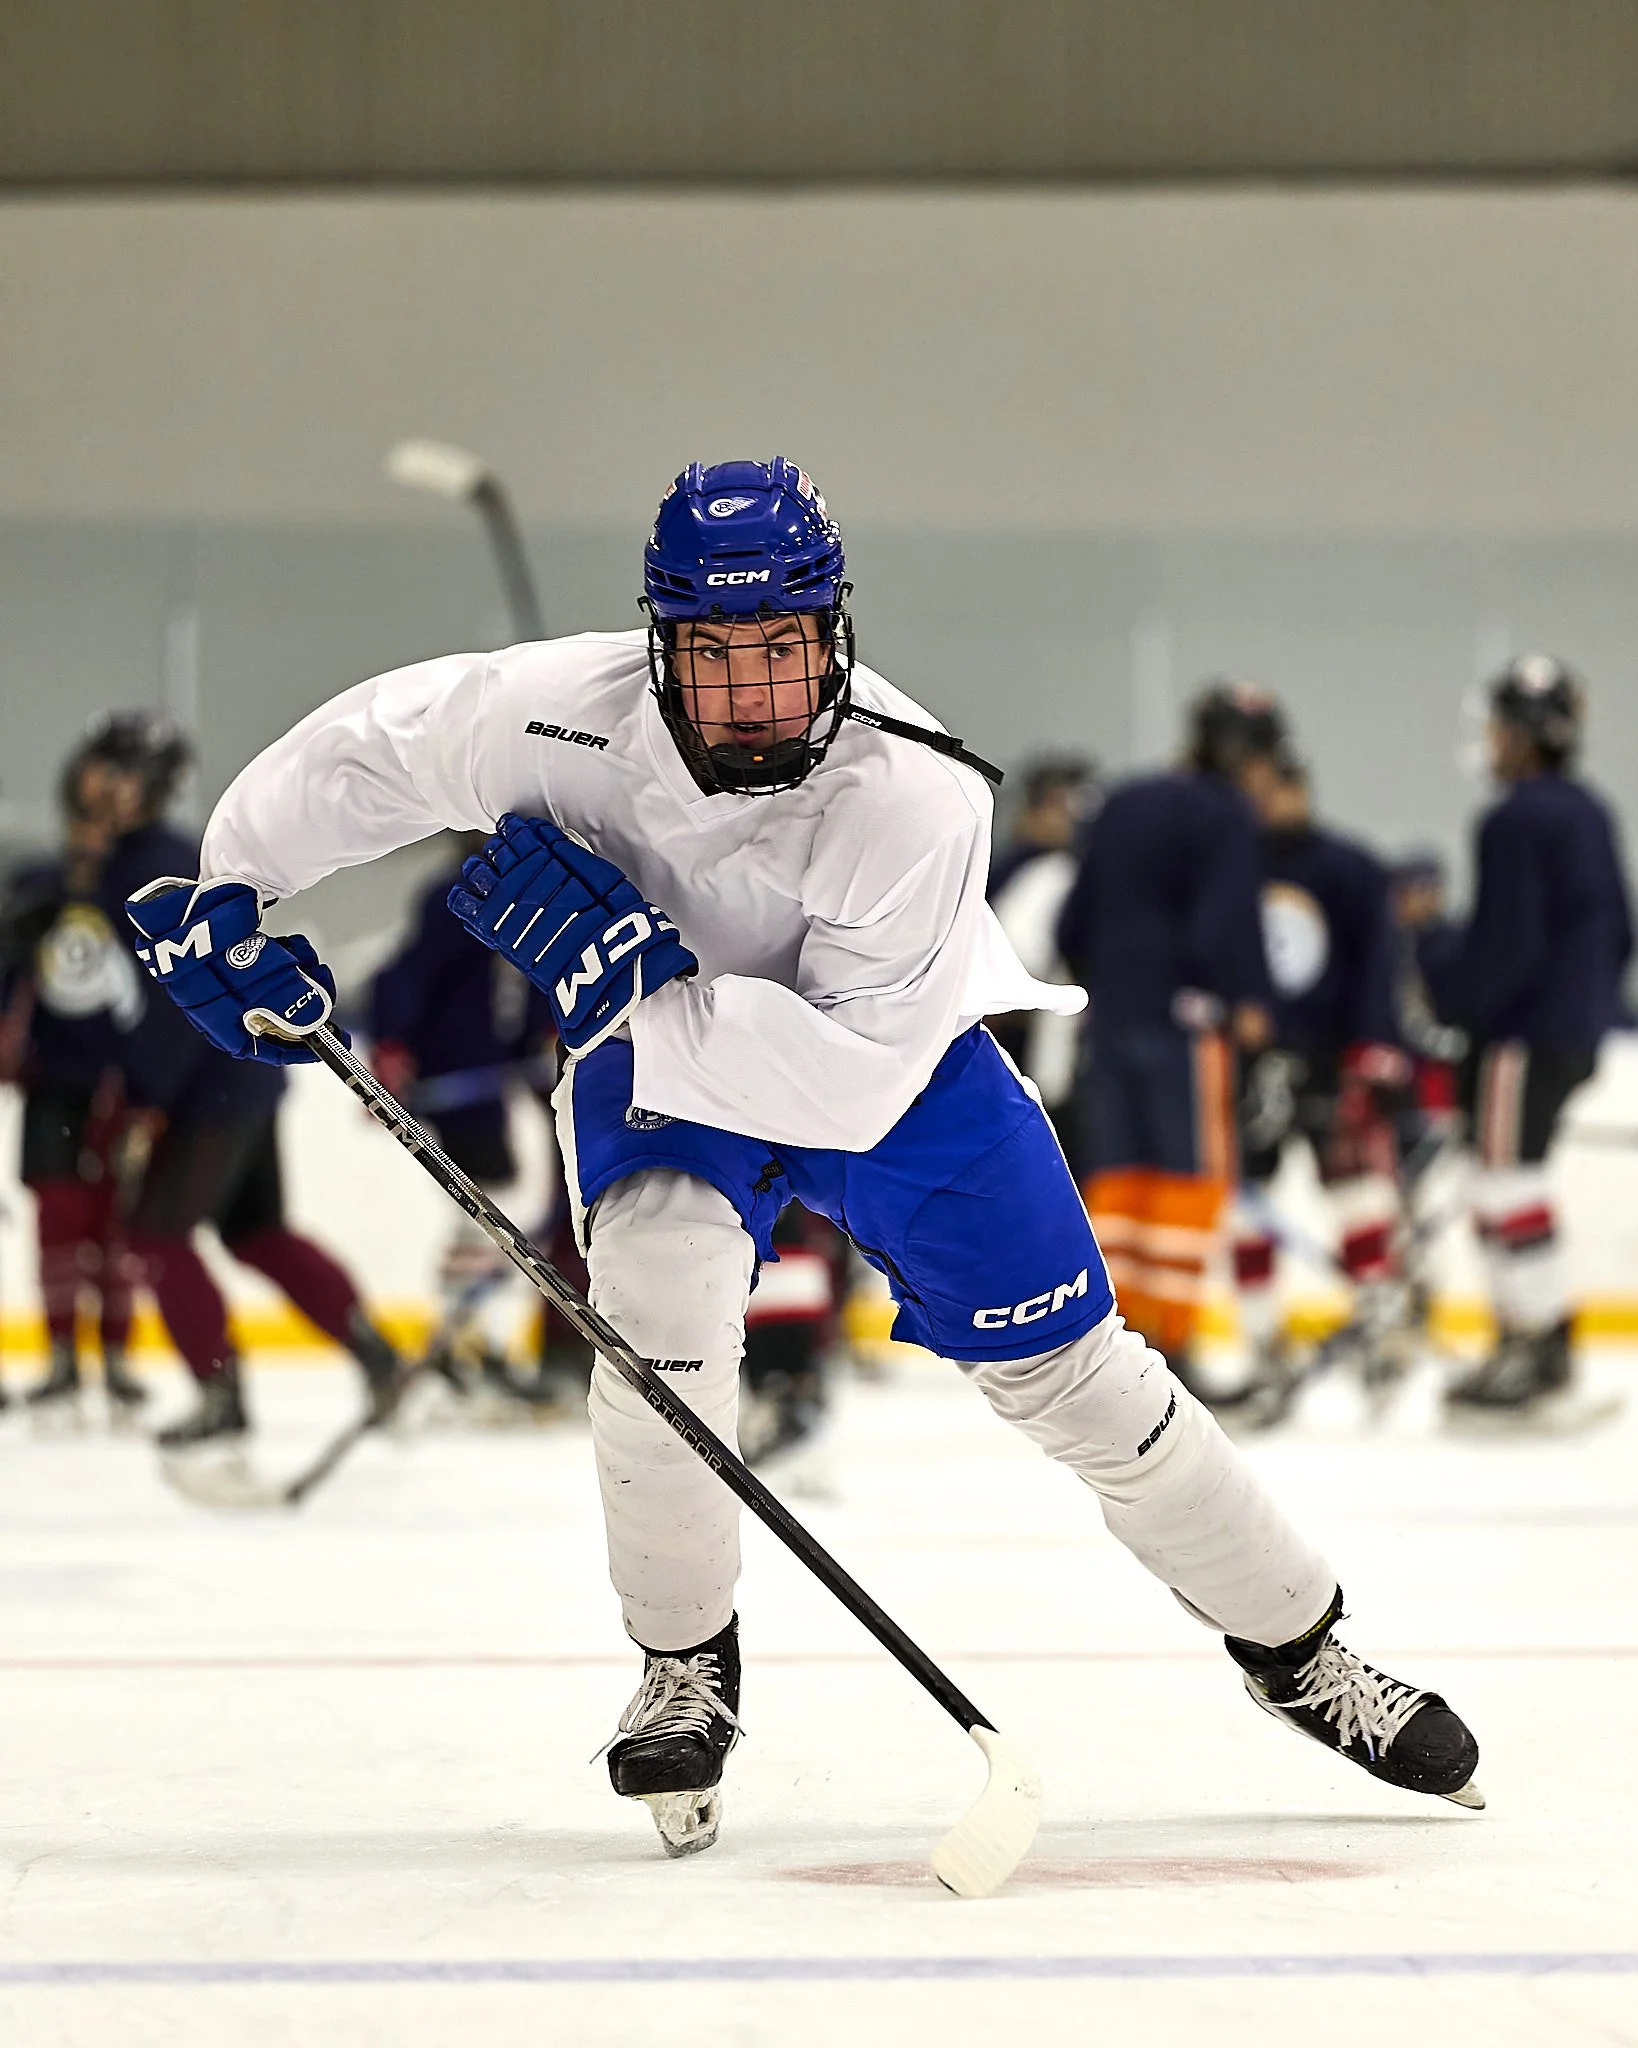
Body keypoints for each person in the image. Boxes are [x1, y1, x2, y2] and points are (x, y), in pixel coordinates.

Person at [125, 460, 1480, 1860]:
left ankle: (1300, 1648)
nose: (754, 688)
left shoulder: (915, 793)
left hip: (885, 1068)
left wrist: (638, 993)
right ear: (659, 645)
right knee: (655, 1326)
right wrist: (231, 889)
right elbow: (373, 750)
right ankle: (681, 1667)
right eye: (713, 654)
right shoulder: (552, 711)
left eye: (784, 647)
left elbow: (843, 1082)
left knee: (1078, 1376)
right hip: (659, 1072)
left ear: (832, 636)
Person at [41, 713, 405, 1449]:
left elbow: (177, 1006)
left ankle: (221, 1396)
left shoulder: (149, 864)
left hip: (210, 1083)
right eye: (98, 769)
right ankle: (380, 1357)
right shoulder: (121, 861)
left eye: (121, 775)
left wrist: (143, 1100)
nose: (101, 788)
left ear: (152, 788)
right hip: (232, 1077)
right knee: (255, 1233)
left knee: (155, 1234)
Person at [1412, 656, 1634, 1425]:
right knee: (1497, 1178)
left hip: (1521, 1035)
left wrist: (1441, 966)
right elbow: (1618, 931)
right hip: (1569, 1031)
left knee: (1507, 1181)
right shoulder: (1589, 810)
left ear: (1524, 733)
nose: (1492, 740)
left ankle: (1538, 1349)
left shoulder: (1513, 818)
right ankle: (1529, 1344)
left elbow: (1507, 945)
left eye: (1500, 726)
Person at [1056, 682, 1280, 1385]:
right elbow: (1225, 922)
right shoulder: (1225, 813)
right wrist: (1245, 998)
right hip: (1185, 1026)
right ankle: (1171, 1346)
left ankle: (1111, 1346)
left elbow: (1073, 924)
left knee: (1119, 1181)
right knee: (1186, 1181)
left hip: (1112, 1019)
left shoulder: (1124, 801)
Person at [368, 838, 588, 1406]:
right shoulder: (456, 895)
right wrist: (391, 1048)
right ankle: (464, 1352)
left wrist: (540, 1039)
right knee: (486, 1204)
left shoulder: (523, 893)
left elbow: (521, 987)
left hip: (485, 1076)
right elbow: (404, 976)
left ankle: (467, 1351)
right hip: (456, 1080)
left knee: (493, 1204)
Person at [1228, 752, 1412, 1419]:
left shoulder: (1351, 867)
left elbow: (1376, 967)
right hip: (1254, 1064)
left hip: (1333, 1060)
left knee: (1360, 1200)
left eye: (1277, 786)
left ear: (1301, 788)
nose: (1267, 800)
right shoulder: (1233, 864)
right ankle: (1263, 1348)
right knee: (1245, 1207)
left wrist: (1373, 1049)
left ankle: (1381, 1340)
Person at [0, 785, 150, 1418]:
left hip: (121, 1088)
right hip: (52, 1085)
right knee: (59, 1223)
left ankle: (116, 1359)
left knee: (114, 1227)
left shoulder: (138, 893)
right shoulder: (38, 889)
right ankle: (63, 1357)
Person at [986, 754, 1098, 1164]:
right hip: (1011, 1022)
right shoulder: (1033, 868)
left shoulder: (1065, 868)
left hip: (1045, 1024)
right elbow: (1022, 947)